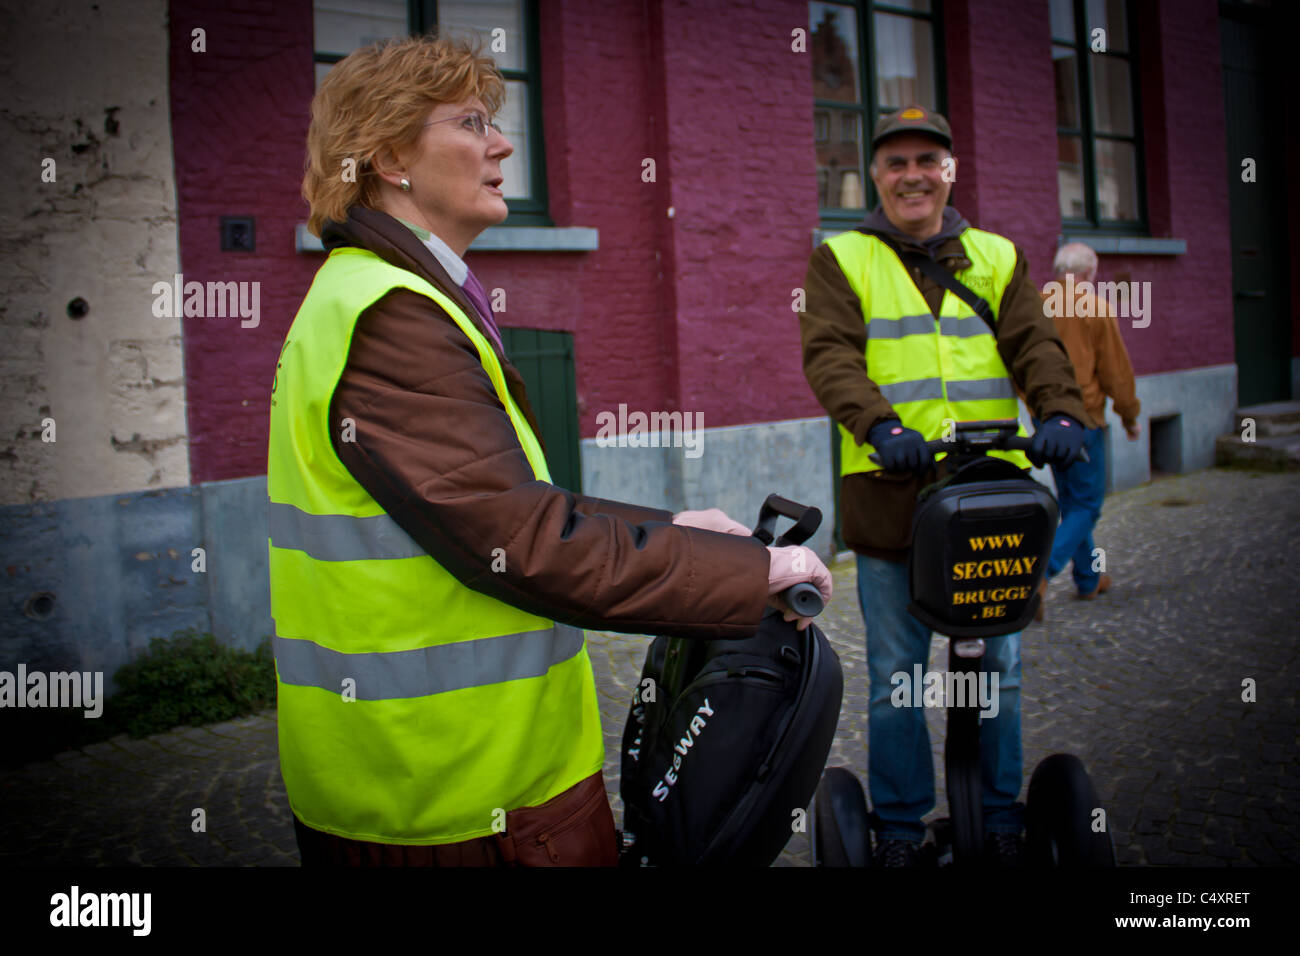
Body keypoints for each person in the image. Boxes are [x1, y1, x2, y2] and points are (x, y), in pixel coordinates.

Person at [269, 34, 831, 867]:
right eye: (471, 123)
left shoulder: (382, 294)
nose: (502, 144)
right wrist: (750, 575)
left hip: (435, 781)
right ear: (389, 155)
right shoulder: (392, 315)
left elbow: (500, 501)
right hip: (457, 800)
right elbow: (524, 542)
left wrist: (679, 525)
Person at [797, 105, 1092, 867]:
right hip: (892, 499)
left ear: (949, 171)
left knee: (999, 670)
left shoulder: (996, 256)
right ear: (876, 176)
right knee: (898, 675)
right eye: (896, 164)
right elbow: (830, 355)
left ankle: (998, 816)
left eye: (927, 161)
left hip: (991, 500)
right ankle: (897, 828)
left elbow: (1036, 342)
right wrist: (879, 426)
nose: (912, 176)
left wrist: (1060, 412)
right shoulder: (843, 259)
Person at [1033, 242, 1141, 619]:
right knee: (1087, 505)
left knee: (1072, 501)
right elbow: (1116, 371)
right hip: (1084, 419)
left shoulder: (1034, 305)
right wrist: (1129, 415)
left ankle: (1088, 577)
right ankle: (1040, 577)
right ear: (1089, 274)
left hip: (1046, 420)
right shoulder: (1094, 307)